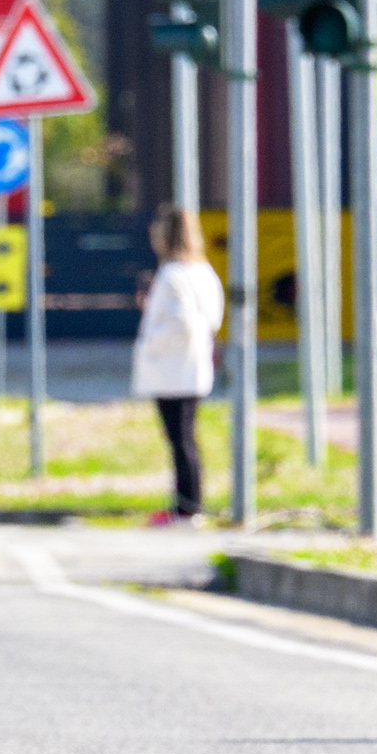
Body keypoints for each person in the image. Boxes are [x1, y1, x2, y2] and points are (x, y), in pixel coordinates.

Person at [132, 204, 224, 526]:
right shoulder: (203, 271)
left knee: (180, 441)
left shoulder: (172, 275)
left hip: (172, 370)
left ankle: (187, 509)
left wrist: (153, 341)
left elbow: (181, 322)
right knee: (186, 438)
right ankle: (186, 506)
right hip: (193, 366)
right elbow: (213, 317)